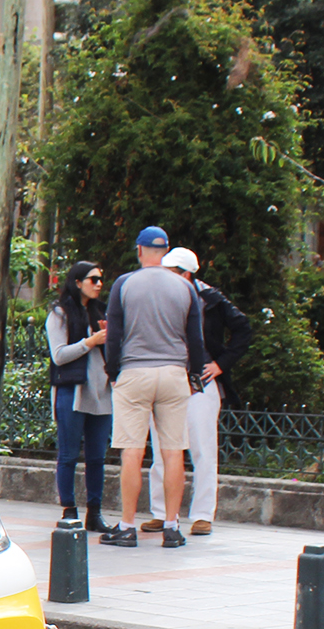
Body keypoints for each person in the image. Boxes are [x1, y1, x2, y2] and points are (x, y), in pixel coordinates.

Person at [100, 225, 207, 550]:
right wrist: (193, 374)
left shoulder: (124, 284)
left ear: (139, 250)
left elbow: (114, 334)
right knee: (173, 451)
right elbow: (196, 338)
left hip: (135, 372)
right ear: (166, 251)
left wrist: (113, 370)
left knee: (132, 450)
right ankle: (172, 527)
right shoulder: (184, 287)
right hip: (174, 373)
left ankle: (128, 526)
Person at [145, 248, 254, 538]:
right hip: (166, 378)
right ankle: (161, 512)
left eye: (171, 272)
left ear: (186, 274)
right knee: (160, 449)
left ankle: (203, 514)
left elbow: (244, 330)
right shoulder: (159, 298)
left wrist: (220, 364)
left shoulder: (212, 300)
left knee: (202, 449)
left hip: (200, 383)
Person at [47, 260, 113, 532]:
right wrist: (90, 342)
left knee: (97, 456)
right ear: (77, 282)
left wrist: (109, 339)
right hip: (72, 392)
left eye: (100, 279)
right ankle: (69, 510)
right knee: (69, 454)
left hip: (102, 393)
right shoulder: (60, 313)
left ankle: (94, 513)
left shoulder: (101, 312)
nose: (98, 284)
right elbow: (59, 355)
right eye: (92, 279)